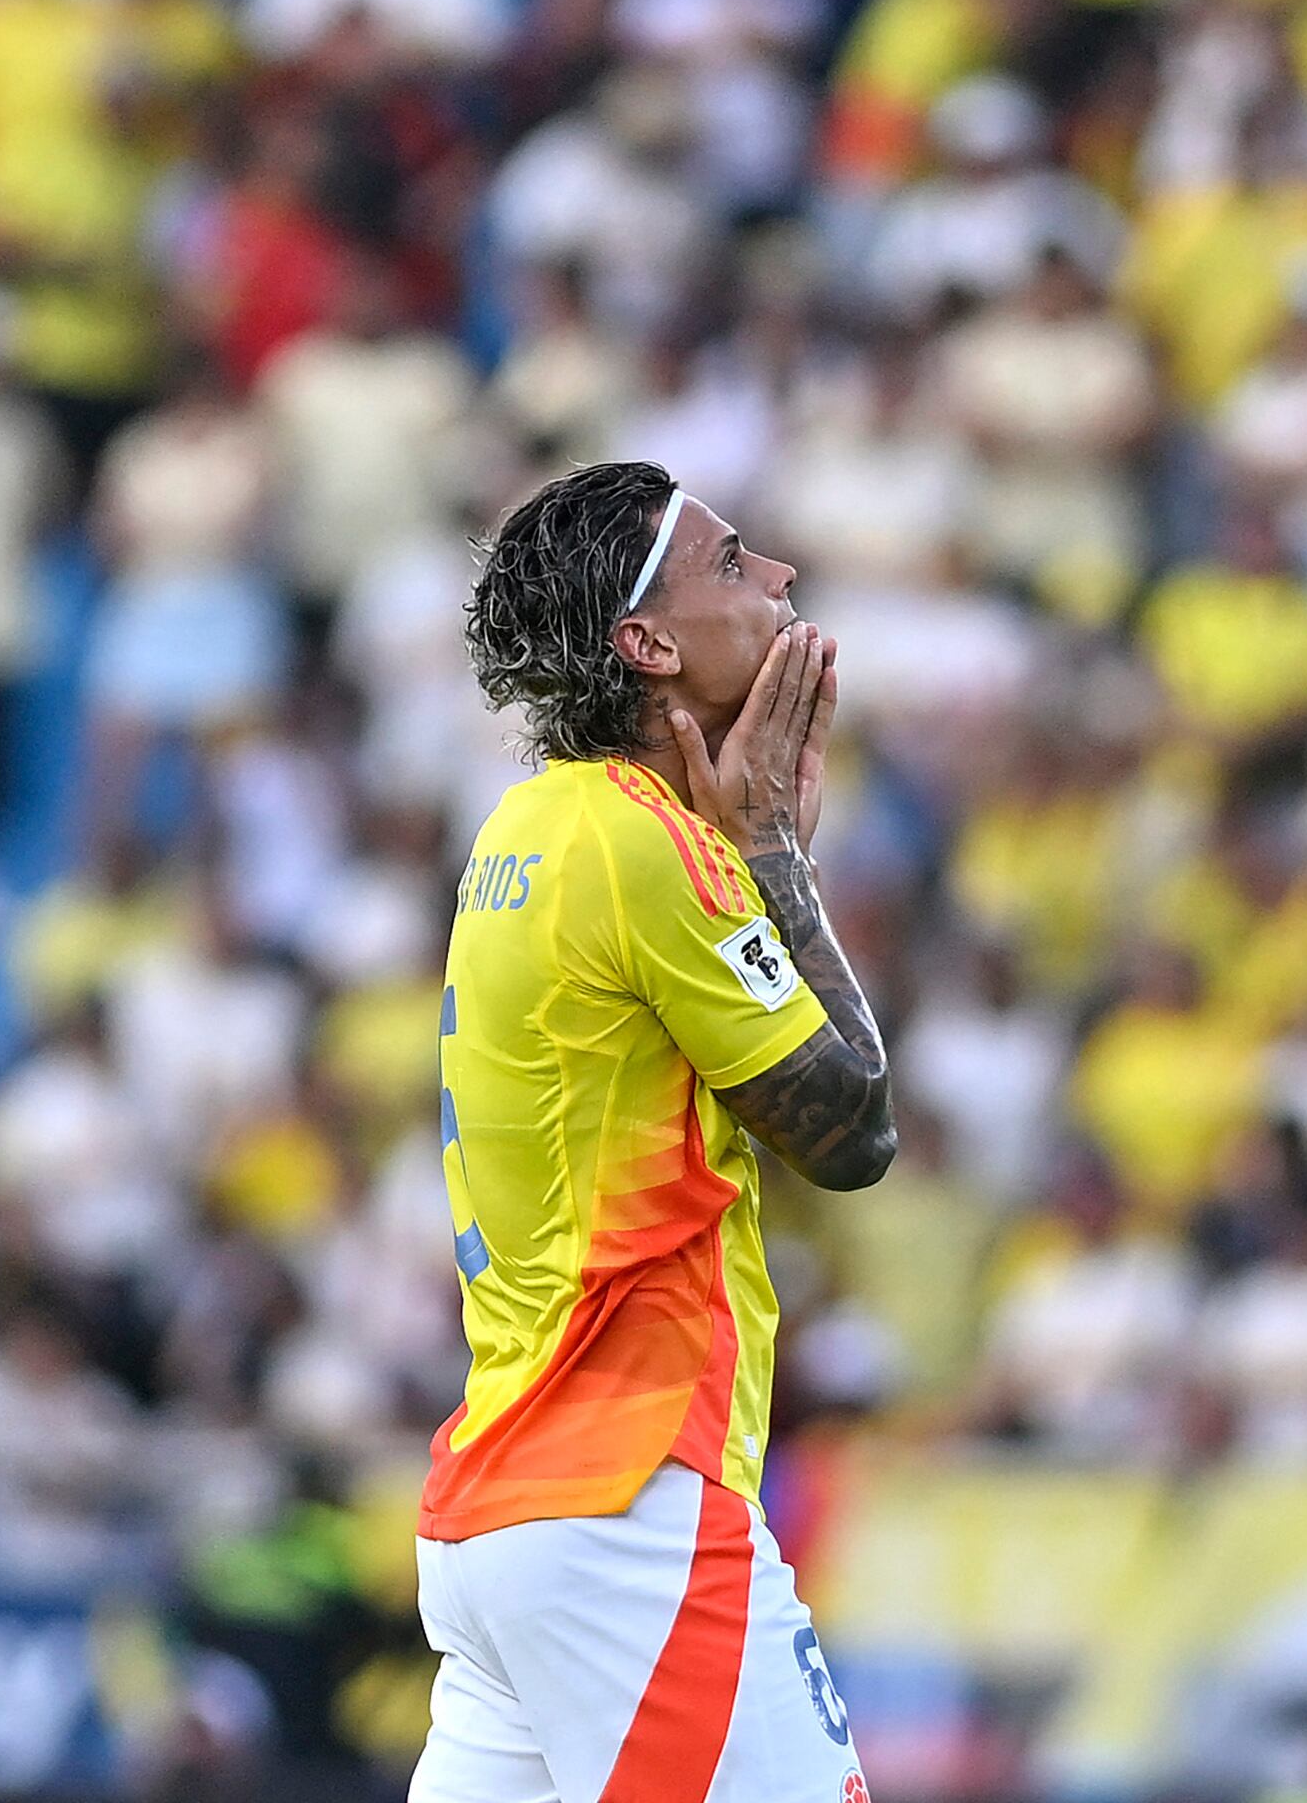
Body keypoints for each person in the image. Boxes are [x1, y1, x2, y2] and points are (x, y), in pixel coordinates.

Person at [414, 459, 892, 1803]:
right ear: (650, 642)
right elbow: (854, 1130)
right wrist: (780, 853)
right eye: (735, 563)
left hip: (502, 1512)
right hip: (627, 1502)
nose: (780, 578)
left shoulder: (528, 827)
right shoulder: (642, 844)